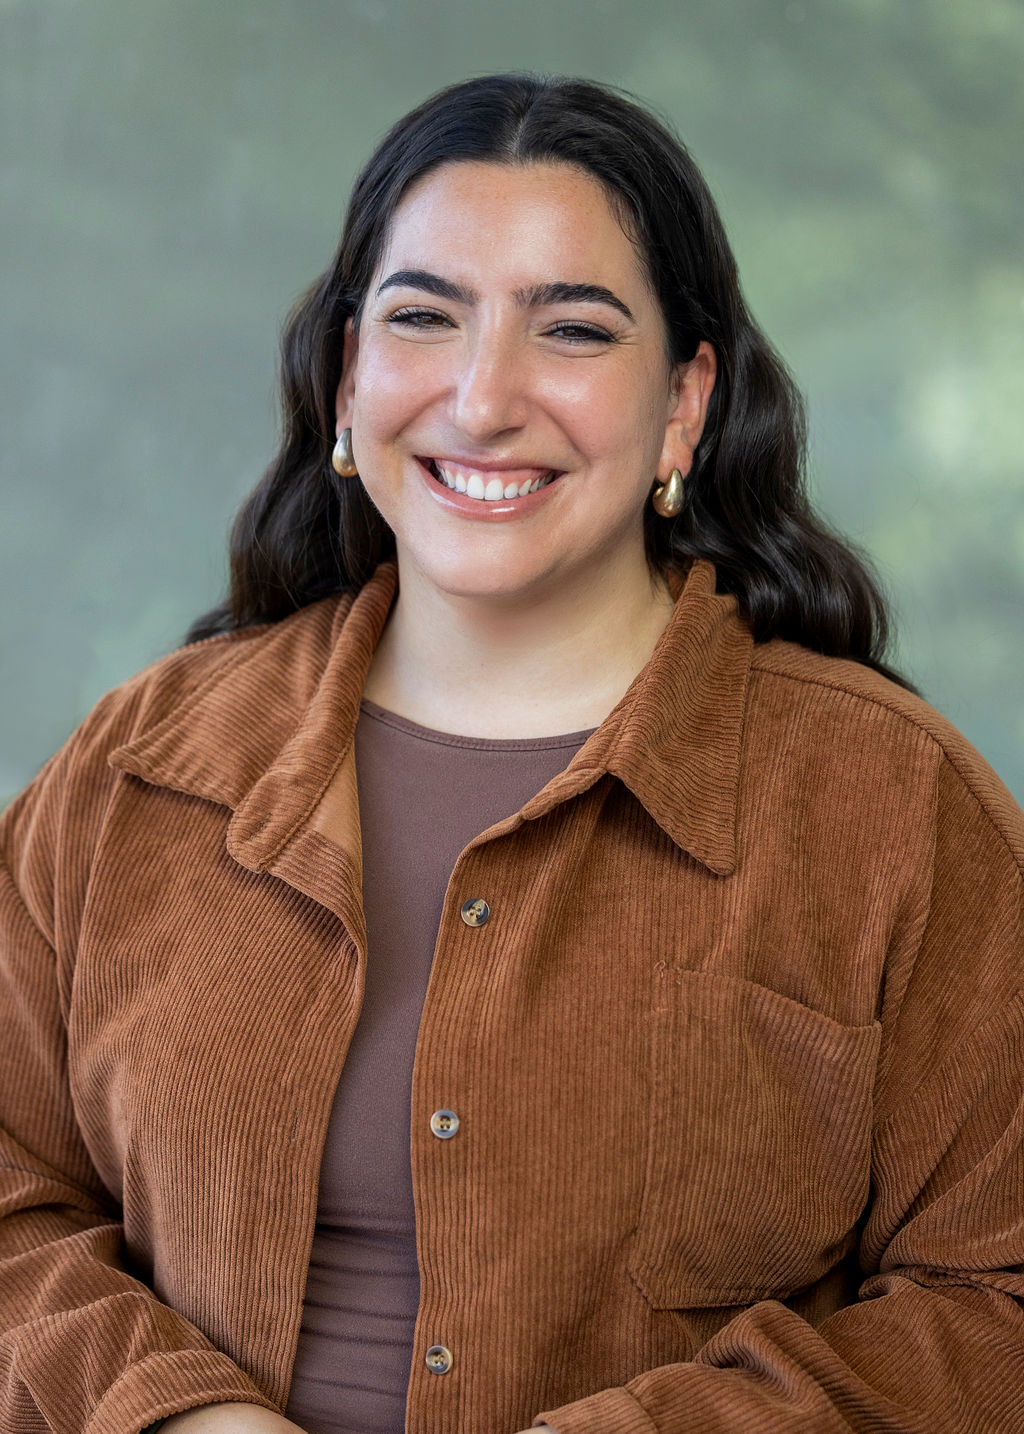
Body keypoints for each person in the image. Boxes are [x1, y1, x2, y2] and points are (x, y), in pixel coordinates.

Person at [1, 71, 1022, 1434]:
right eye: (425, 317)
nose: (484, 400)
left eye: (574, 330)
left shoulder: (893, 806)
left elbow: (993, 1289)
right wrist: (175, 1414)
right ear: (349, 375)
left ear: (684, 405)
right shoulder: (135, 773)